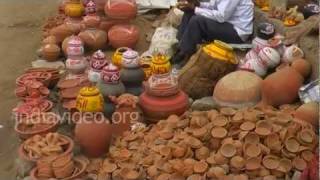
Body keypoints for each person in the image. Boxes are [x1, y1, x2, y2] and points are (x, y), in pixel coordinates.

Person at [171, 0, 254, 68]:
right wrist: (198, 4)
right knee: (189, 12)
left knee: (197, 20)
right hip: (227, 24)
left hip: (237, 32)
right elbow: (214, 6)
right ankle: (180, 48)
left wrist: (195, 9)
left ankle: (185, 55)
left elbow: (221, 16)